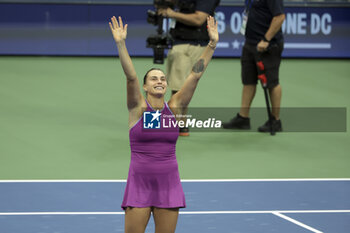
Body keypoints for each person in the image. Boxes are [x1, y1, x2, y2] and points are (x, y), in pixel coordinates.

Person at [109, 15, 218, 233]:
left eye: (162, 79)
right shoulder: (137, 109)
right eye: (153, 79)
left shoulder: (175, 108)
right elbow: (130, 77)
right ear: (146, 87)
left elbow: (195, 76)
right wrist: (121, 44)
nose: (159, 81)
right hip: (139, 184)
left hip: (168, 184)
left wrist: (212, 44)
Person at [158, 0, 220, 136]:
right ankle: (180, 125)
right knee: (180, 87)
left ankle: (175, 126)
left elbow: (198, 19)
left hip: (192, 45)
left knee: (181, 88)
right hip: (182, 42)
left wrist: (171, 13)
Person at [223, 0, 285, 132]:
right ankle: (243, 118)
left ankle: (275, 120)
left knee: (272, 82)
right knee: (248, 81)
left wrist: (266, 40)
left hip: (268, 45)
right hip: (250, 43)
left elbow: (280, 17)